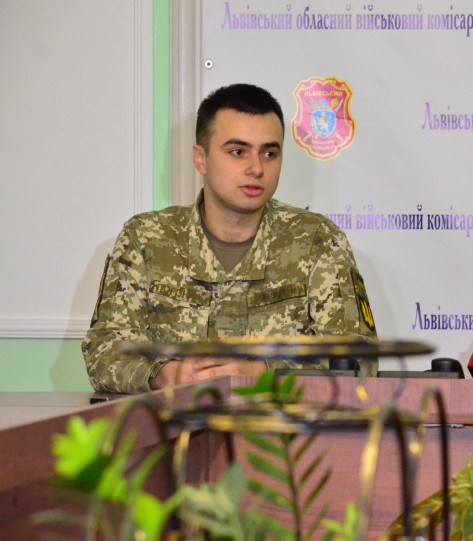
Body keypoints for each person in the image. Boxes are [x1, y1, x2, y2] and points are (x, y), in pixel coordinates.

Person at [83, 83, 377, 393]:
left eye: (269, 153)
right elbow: (103, 350)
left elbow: (360, 362)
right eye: (238, 152)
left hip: (280, 423)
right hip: (176, 422)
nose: (256, 168)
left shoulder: (318, 241)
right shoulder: (146, 240)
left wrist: (265, 374)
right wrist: (165, 375)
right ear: (201, 159)